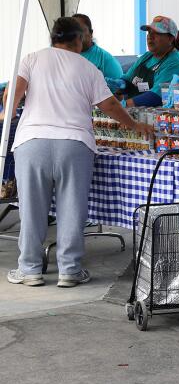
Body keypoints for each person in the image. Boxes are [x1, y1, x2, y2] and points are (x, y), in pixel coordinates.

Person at [1, 17, 153, 288]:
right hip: (74, 143)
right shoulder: (87, 67)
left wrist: (7, 113)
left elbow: (15, 91)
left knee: (32, 208)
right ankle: (69, 270)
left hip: (32, 141)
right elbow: (109, 104)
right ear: (78, 40)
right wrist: (134, 124)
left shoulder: (32, 58)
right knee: (72, 209)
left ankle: (30, 269)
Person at [121, 15, 179, 107]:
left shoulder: (176, 63)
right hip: (135, 113)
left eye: (157, 33)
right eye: (149, 32)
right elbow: (128, 79)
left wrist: (123, 106)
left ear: (170, 39)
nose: (150, 37)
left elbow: (156, 96)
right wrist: (119, 85)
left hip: (157, 117)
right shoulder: (147, 56)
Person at [72, 13, 123, 80]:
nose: (76, 34)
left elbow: (120, 87)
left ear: (91, 33)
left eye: (80, 30)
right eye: (72, 31)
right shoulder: (64, 54)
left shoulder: (105, 60)